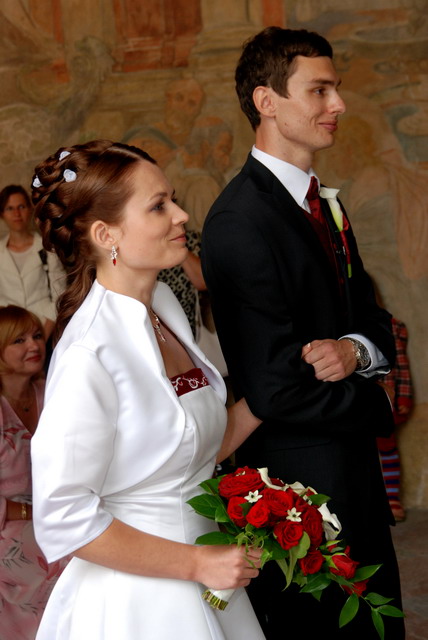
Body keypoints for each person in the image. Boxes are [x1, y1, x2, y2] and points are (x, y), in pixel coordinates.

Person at [202, 27, 404, 639]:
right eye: (319, 90)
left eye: (335, 88)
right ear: (267, 101)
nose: (338, 104)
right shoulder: (239, 220)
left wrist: (355, 350)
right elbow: (274, 386)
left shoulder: (323, 203)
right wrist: (376, 401)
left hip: (353, 477)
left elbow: (373, 319)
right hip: (299, 499)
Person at [29, 140, 264, 640]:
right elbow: (62, 516)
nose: (181, 215)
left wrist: (276, 393)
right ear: (106, 234)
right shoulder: (89, 351)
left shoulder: (163, 306)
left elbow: (184, 447)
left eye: (172, 199)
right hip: (140, 599)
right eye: (159, 206)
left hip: (211, 570)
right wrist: (196, 563)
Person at [0, 305, 67, 640]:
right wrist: (31, 513)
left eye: (38, 336)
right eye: (19, 340)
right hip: (9, 532)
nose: (34, 346)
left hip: (60, 520)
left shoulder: (54, 393)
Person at [0, 185, 66, 341]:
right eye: (10, 208)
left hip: (45, 329)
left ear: (30, 209)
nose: (16, 214)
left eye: (21, 207)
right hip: (8, 335)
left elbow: (60, 294)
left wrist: (41, 338)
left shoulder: (47, 248)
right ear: (2, 214)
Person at [377, 316, 413, 522]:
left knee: (387, 445)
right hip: (353, 399)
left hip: (386, 398)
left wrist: (404, 396)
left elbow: (401, 364)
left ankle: (391, 497)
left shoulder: (392, 326)